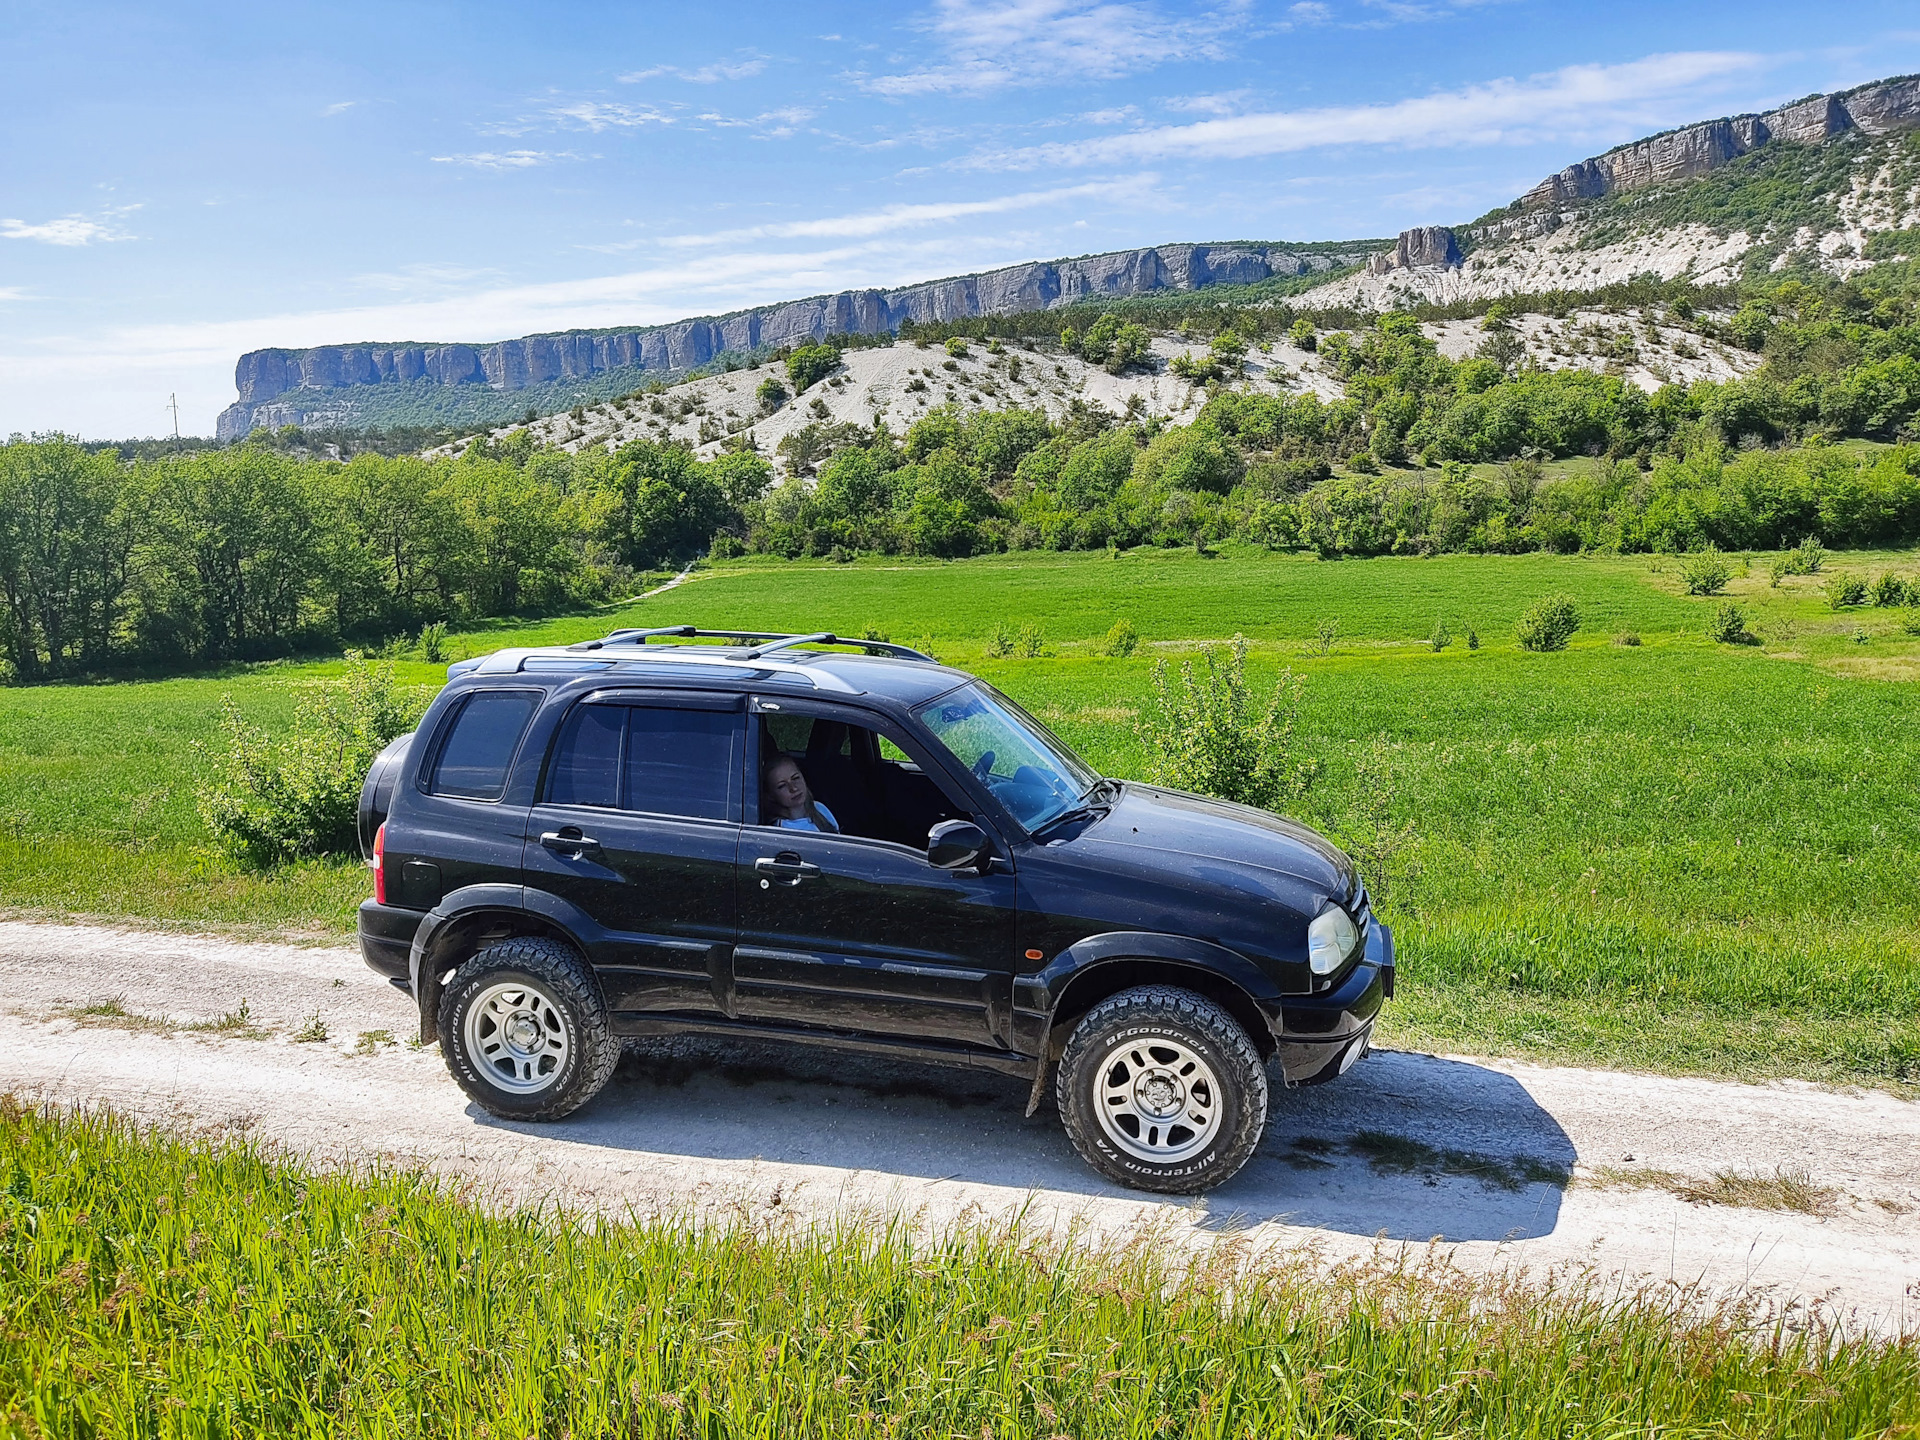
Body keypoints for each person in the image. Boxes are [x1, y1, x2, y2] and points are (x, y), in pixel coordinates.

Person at [762, 755, 839, 832]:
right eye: (782, 786)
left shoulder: (819, 808)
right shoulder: (780, 830)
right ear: (770, 795)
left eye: (796, 778)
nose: (793, 788)